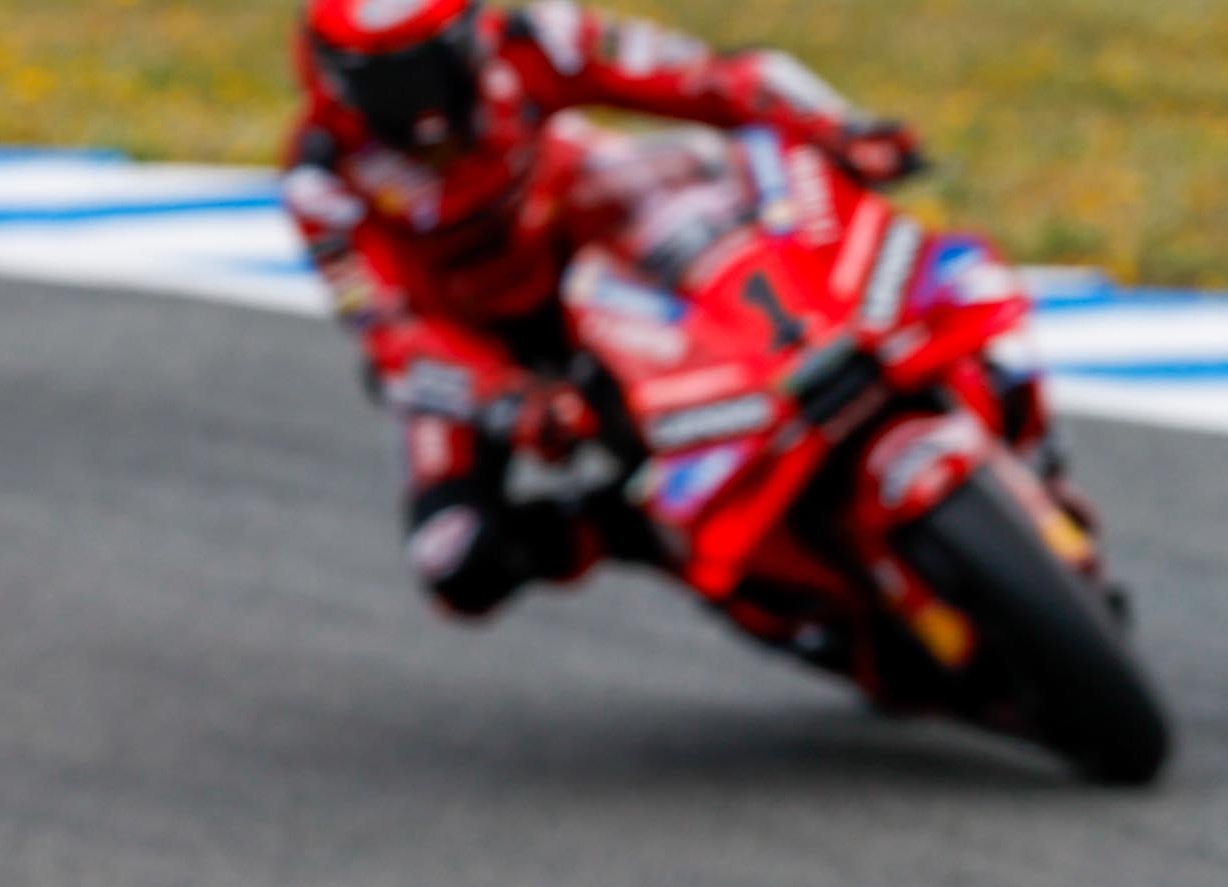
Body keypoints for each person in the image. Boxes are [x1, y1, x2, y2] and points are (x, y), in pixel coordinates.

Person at [279, 0, 929, 619]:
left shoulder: (537, 40)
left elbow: (711, 75)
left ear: (470, 40)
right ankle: (635, 529)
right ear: (335, 79)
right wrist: (503, 396)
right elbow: (390, 330)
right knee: (456, 563)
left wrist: (838, 126)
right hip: (478, 340)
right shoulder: (322, 176)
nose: (420, 98)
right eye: (388, 81)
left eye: (429, 65)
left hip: (587, 230)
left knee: (705, 188)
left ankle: (866, 336)